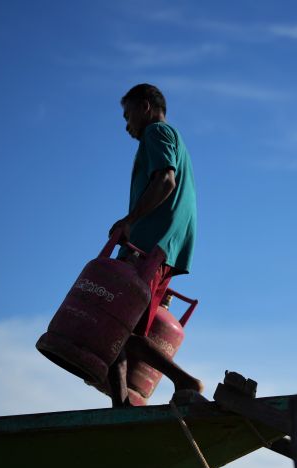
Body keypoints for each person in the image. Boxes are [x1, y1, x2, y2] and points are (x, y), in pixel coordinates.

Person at [106, 83, 203, 407]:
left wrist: (130, 220)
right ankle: (120, 406)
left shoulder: (157, 132)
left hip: (149, 246)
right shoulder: (171, 137)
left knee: (120, 327)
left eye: (128, 114)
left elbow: (165, 179)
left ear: (145, 107)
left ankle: (186, 381)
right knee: (118, 325)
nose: (126, 125)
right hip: (162, 246)